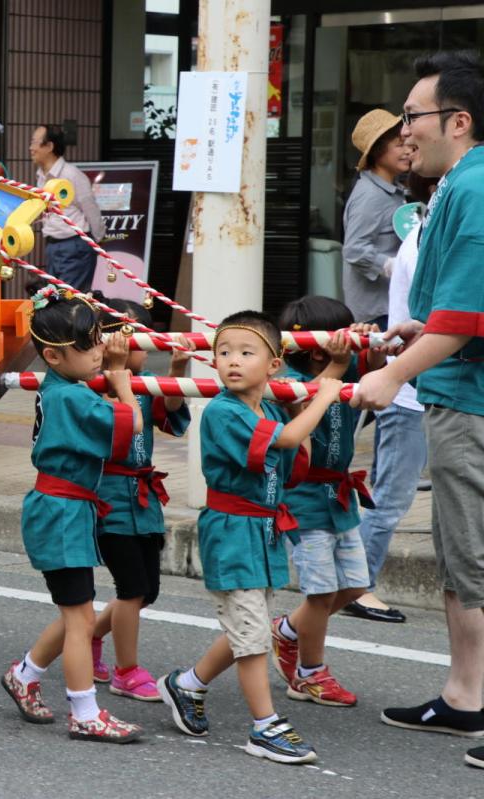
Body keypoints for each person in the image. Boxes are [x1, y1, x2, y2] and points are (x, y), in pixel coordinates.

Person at [354, 51, 484, 766]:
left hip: (471, 400)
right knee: (464, 556)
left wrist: (393, 373)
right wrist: (417, 329)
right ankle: (466, 698)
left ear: (458, 122)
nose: (405, 130)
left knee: (473, 558)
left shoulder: (476, 186)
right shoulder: (460, 183)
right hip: (459, 391)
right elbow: (456, 307)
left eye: (414, 116)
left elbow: (467, 314)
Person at [158, 310, 343, 765]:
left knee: (250, 624)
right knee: (251, 632)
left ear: (274, 364)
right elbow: (287, 441)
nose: (232, 361)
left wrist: (330, 374)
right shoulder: (223, 410)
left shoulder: (269, 407)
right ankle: (264, 725)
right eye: (223, 353)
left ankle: (187, 685)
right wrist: (326, 395)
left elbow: (298, 452)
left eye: (246, 352)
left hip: (262, 528)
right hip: (233, 530)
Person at [0, 285, 143, 743]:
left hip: (63, 507)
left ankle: (24, 674)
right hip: (62, 510)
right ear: (55, 357)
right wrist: (121, 381)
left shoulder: (61, 387)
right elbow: (131, 423)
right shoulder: (76, 397)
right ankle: (83, 710)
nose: (99, 351)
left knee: (74, 612)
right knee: (80, 618)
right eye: (87, 345)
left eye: (99, 339)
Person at [269, 297, 383, 708]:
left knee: (354, 585)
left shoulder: (351, 368)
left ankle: (287, 630)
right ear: (319, 347)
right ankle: (310, 673)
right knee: (320, 593)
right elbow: (307, 410)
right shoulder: (285, 384)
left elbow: (379, 364)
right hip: (303, 496)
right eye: (345, 332)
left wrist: (371, 340)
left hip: (340, 494)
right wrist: (337, 367)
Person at [348, 170, 439, 624]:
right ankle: (358, 587)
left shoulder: (422, 234)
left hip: (410, 386)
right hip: (411, 390)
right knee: (391, 497)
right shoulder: (426, 240)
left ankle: (352, 582)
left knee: (385, 494)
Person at [90, 299, 191, 699]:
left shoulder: (144, 378)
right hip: (108, 497)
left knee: (147, 590)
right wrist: (114, 374)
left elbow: (170, 418)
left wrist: (178, 370)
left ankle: (91, 637)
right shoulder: (92, 384)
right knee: (130, 587)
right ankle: (126, 671)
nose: (146, 350)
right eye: (138, 340)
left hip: (143, 496)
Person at [342, 109, 410, 327]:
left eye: (407, 143)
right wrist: (394, 267)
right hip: (376, 312)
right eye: (399, 145)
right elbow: (354, 249)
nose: (408, 150)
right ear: (378, 151)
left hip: (389, 305)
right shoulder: (370, 195)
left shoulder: (391, 190)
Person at [29, 124, 105, 291]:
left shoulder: (72, 175)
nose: (31, 148)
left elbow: (91, 209)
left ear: (49, 146)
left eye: (35, 142)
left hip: (75, 245)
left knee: (70, 302)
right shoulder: (42, 175)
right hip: (53, 246)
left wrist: (95, 240)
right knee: (57, 301)